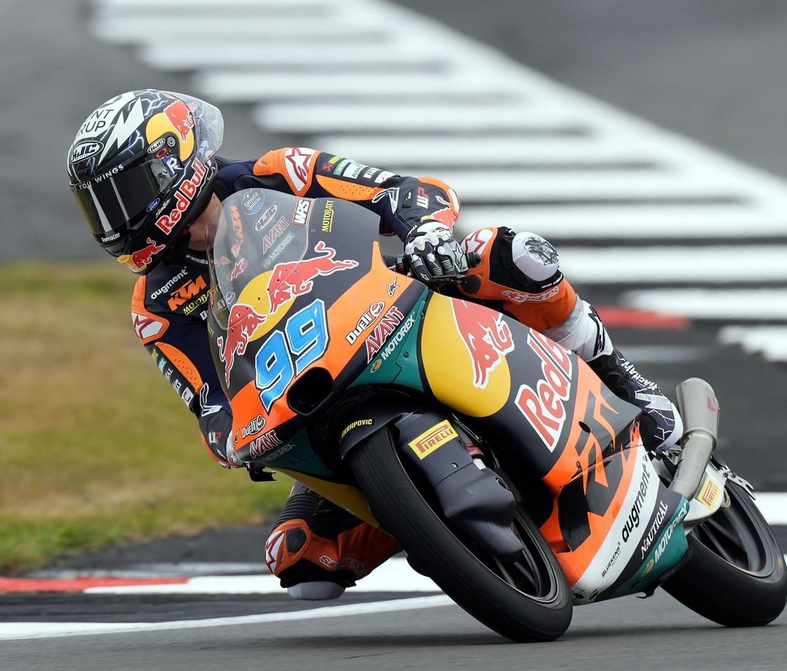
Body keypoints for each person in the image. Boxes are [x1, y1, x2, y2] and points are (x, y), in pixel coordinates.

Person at [66, 89, 683, 600]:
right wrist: (232, 438)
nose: (115, 221)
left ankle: (627, 383)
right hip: (314, 397)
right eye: (98, 208)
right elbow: (207, 401)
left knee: (507, 254)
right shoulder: (155, 306)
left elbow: (404, 191)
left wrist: (423, 232)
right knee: (300, 561)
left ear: (176, 161)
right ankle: (423, 518)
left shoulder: (281, 174)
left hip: (395, 306)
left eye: (123, 194)